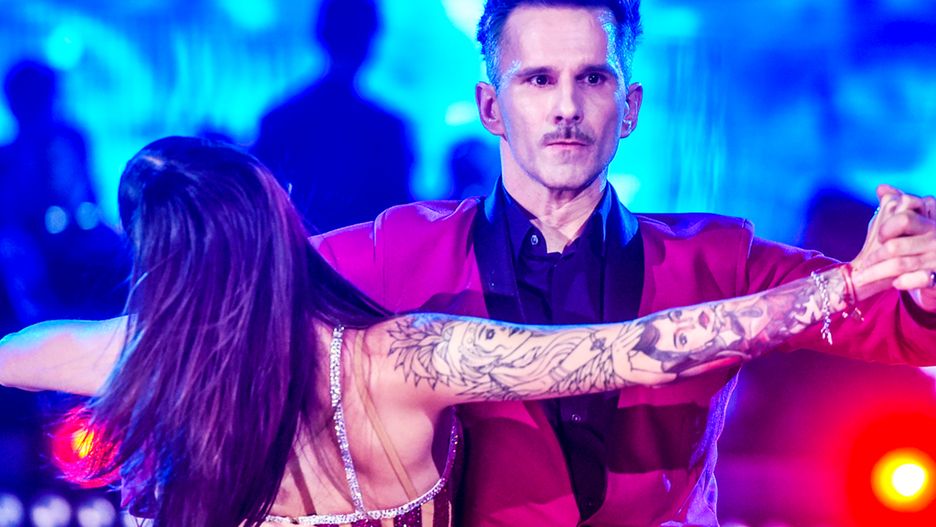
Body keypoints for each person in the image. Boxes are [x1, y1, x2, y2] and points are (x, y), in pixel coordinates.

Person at [0, 136, 911, 527]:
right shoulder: (402, 355)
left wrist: (849, 285)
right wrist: (848, 281)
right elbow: (647, 344)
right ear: (279, 230)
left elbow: (643, 344)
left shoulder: (145, 353)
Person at [307, 1, 936, 525]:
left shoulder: (717, 256)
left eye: (592, 79)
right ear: (491, 107)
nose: (566, 107)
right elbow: (266, 290)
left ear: (629, 107)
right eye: (537, 79)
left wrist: (918, 271)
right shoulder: (395, 252)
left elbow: (893, 320)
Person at [252, 0, 414, 232]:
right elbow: (399, 220)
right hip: (363, 254)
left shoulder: (280, 121)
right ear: (371, 39)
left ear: (322, 34)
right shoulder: (386, 130)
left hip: (294, 252)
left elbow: (261, 212)